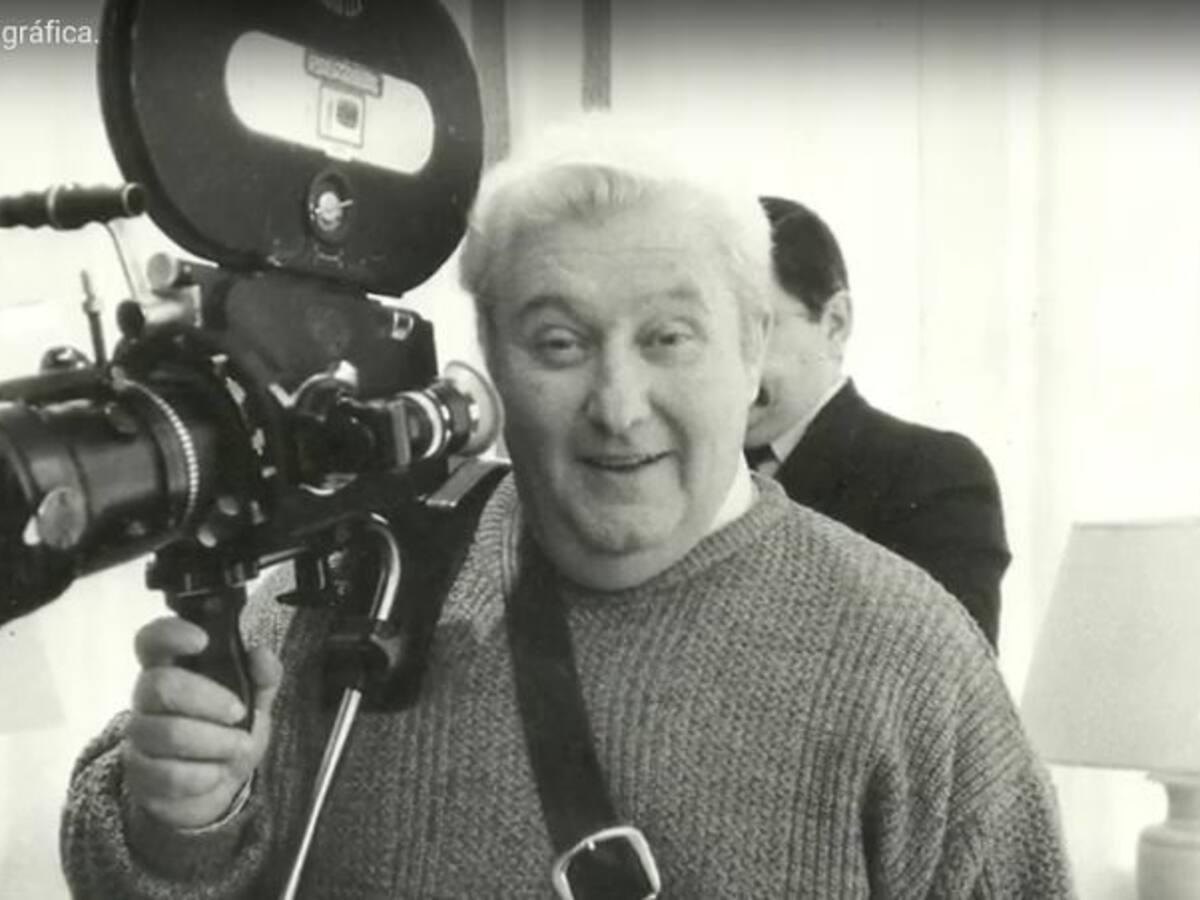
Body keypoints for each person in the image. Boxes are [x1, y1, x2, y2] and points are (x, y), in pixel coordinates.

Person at [61, 119, 1072, 898]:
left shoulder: (911, 666)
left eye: (668, 338)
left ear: (752, 345)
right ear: (492, 360)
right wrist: (181, 821)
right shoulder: (358, 587)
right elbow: (139, 873)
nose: (618, 406)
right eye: (559, 343)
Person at [746, 196, 1011, 647]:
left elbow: (943, 675)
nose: (728, 365)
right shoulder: (688, 473)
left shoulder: (936, 473)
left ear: (835, 323)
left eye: (757, 329)